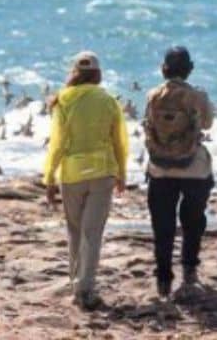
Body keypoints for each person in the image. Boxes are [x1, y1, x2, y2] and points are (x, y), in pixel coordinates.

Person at [42, 51, 128, 310]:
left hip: (72, 175)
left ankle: (76, 284)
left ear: (74, 73)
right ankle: (85, 288)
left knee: (75, 231)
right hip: (102, 173)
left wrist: (49, 176)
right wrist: (122, 174)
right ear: (98, 74)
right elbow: (119, 142)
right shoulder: (108, 100)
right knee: (93, 233)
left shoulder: (63, 100)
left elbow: (57, 143)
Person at [143, 46, 214, 299]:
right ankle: (189, 267)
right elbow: (207, 123)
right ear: (190, 69)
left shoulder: (153, 95)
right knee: (193, 221)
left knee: (162, 225)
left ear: (164, 69)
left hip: (160, 167)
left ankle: (163, 278)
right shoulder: (198, 96)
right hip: (194, 168)